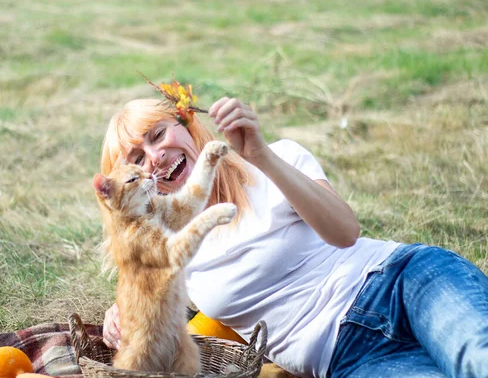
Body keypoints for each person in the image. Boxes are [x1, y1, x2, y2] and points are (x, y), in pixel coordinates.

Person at [98, 97, 488, 378]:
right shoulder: (163, 248)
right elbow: (148, 309)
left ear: (186, 125)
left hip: (401, 281)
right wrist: (119, 316)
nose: (155, 156)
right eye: (136, 158)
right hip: (346, 357)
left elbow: (346, 232)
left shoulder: (274, 159)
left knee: (478, 360)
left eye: (158, 134)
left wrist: (261, 155)